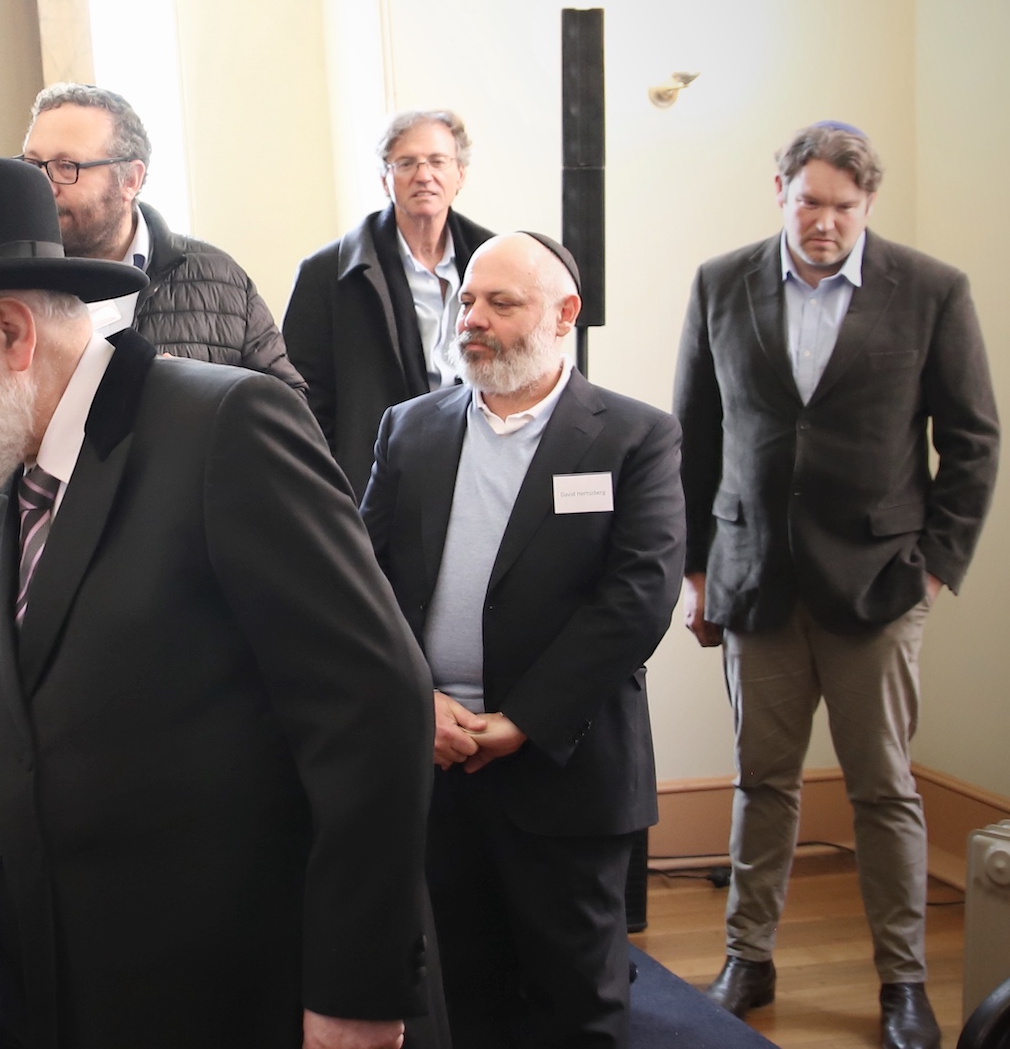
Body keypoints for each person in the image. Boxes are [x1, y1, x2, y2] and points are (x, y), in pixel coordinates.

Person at [0, 155, 434, 1049]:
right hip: (65, 989)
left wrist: (356, 992)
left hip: (241, 993)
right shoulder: (3, 470)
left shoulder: (226, 430)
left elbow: (374, 709)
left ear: (10, 331)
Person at [675, 123, 999, 1049]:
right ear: (778, 189)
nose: (824, 223)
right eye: (809, 201)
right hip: (754, 582)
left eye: (844, 208)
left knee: (883, 790)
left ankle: (903, 981)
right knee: (762, 782)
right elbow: (694, 435)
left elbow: (973, 439)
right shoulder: (719, 282)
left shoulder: (932, 290)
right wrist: (695, 567)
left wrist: (936, 564)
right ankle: (749, 956)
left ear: (868, 207)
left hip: (879, 586)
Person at [362, 232, 684, 1048]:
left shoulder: (634, 439)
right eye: (469, 299)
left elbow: (637, 598)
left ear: (563, 314)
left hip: (565, 765)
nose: (473, 318)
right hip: (431, 761)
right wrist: (418, 703)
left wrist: (522, 722)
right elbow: (364, 584)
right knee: (458, 994)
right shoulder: (409, 429)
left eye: (501, 303)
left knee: (578, 998)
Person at [0, 83, 299, 477]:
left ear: (131, 179)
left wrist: (189, 398)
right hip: (33, 527)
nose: (45, 185)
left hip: (171, 520)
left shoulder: (216, 276)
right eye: (33, 166)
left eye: (66, 167)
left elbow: (287, 410)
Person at [285, 110, 499, 497]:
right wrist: (333, 480)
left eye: (437, 161)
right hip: (373, 480)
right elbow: (300, 394)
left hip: (481, 466)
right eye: (406, 163)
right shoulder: (327, 274)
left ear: (460, 175)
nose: (424, 175)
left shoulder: (495, 262)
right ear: (385, 179)